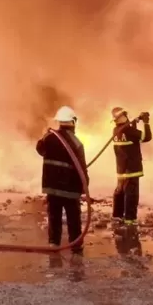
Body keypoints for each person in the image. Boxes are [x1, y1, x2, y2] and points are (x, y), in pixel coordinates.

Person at [35, 106, 89, 254]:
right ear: (73, 122)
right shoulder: (76, 143)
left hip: (52, 187)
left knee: (54, 216)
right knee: (73, 219)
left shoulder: (49, 138)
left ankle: (54, 243)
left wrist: (44, 135)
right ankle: (76, 246)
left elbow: (40, 149)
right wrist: (84, 187)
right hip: (70, 189)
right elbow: (82, 169)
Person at [110, 107, 152, 227]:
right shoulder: (129, 131)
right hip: (132, 169)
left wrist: (134, 122)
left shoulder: (116, 130)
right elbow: (147, 137)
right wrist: (146, 122)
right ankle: (130, 220)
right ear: (122, 116)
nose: (127, 116)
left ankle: (117, 216)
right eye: (125, 115)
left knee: (120, 191)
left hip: (121, 169)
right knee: (131, 194)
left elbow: (128, 135)